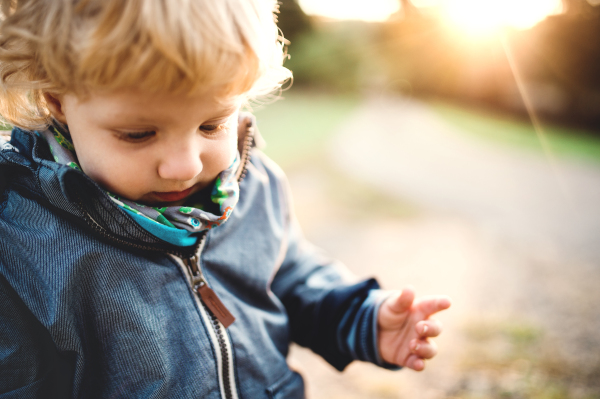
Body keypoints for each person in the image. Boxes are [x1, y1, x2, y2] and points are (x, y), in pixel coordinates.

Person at [0, 0, 451, 397]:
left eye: (212, 125)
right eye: (139, 134)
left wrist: (362, 320)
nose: (186, 166)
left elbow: (289, 274)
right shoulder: (21, 237)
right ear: (57, 100)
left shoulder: (250, 182)